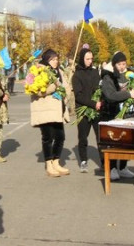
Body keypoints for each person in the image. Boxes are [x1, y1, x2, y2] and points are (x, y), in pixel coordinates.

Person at [27, 49, 71, 178]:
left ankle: (56, 161)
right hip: (45, 109)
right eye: (52, 59)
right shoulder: (38, 71)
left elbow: (66, 86)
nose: (55, 62)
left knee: (60, 136)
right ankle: (49, 164)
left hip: (58, 109)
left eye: (57, 59)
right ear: (46, 59)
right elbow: (35, 90)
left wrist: (65, 96)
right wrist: (52, 89)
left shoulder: (60, 72)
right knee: (48, 137)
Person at [101, 51, 134, 181]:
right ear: (114, 64)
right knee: (114, 142)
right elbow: (111, 95)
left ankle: (123, 167)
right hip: (113, 113)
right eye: (119, 64)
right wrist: (129, 94)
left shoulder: (131, 75)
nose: (122, 66)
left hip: (129, 114)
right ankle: (112, 168)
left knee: (127, 142)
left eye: (124, 63)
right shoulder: (108, 77)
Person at [71, 48, 101, 173]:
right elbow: (78, 95)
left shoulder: (95, 72)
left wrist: (99, 100)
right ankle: (83, 160)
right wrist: (93, 104)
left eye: (91, 59)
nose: (90, 61)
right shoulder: (77, 75)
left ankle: (104, 161)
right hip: (83, 110)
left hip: (97, 109)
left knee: (100, 137)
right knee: (83, 137)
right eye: (87, 59)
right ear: (82, 59)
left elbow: (99, 88)